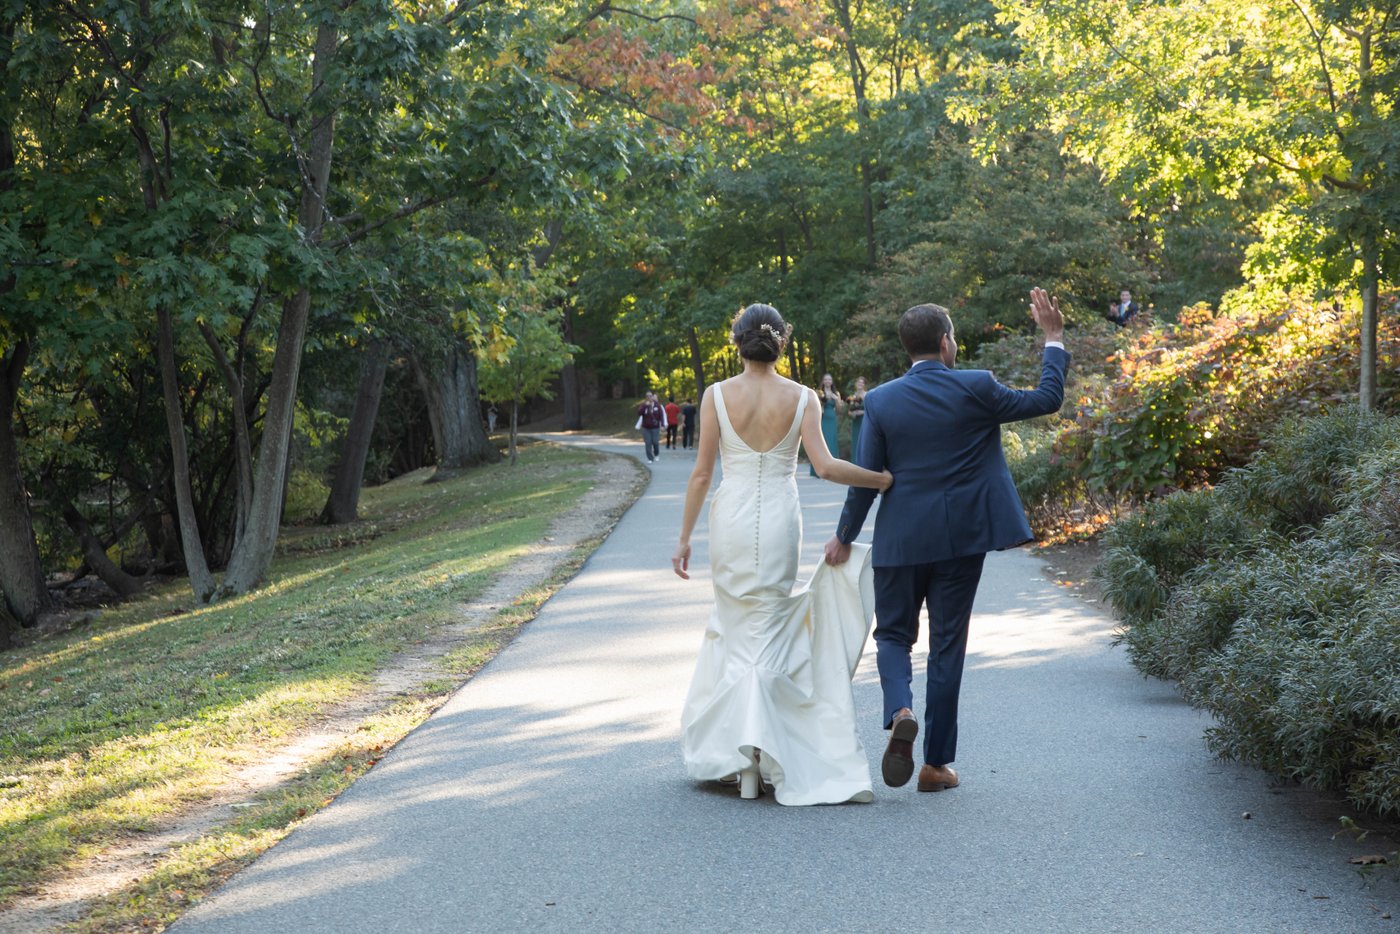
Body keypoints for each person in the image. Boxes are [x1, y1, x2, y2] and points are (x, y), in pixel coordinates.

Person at [823, 289, 1068, 795]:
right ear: (945, 343)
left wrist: (843, 536)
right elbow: (1047, 400)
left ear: (907, 349)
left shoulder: (881, 400)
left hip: (901, 538)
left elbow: (868, 477)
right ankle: (935, 766)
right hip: (961, 541)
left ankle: (900, 709)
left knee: (892, 635)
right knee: (947, 647)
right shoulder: (976, 388)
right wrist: (1053, 337)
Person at [674, 303, 893, 805]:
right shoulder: (803, 397)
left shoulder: (715, 395)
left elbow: (703, 474)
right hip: (778, 520)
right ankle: (764, 754)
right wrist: (881, 479)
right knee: (768, 629)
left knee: (735, 628)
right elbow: (829, 467)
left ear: (737, 341)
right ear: (782, 343)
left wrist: (684, 539)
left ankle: (745, 763)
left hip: (730, 520)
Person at [809, 372, 843, 477]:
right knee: (821, 440)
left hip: (831, 418)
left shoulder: (836, 393)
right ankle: (818, 469)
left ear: (832, 382)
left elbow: (839, 409)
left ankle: (833, 469)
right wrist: (821, 401)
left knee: (831, 440)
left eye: (829, 379)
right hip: (822, 418)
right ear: (823, 381)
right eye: (826, 379)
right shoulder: (819, 392)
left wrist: (836, 399)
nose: (828, 381)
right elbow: (814, 406)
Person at [637, 391, 665, 463]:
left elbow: (661, 416)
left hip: (655, 427)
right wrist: (645, 406)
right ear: (646, 397)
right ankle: (650, 458)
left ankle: (656, 454)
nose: (649, 397)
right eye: (647, 396)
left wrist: (662, 425)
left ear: (652, 397)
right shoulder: (643, 405)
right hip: (646, 427)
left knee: (655, 442)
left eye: (650, 396)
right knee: (648, 443)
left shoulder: (657, 405)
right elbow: (639, 413)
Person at [847, 376, 867, 459]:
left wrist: (862, 412)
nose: (860, 384)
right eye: (858, 382)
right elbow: (849, 411)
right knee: (856, 441)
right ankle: (855, 461)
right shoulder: (852, 396)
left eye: (862, 382)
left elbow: (871, 410)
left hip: (864, 421)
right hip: (855, 422)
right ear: (856, 384)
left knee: (864, 440)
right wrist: (852, 413)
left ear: (864, 385)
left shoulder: (867, 395)